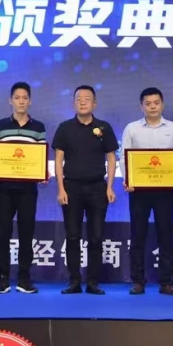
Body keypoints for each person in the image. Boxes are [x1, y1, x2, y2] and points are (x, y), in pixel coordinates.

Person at [53, 85, 118, 295]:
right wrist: (61, 188)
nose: (82, 101)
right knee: (72, 236)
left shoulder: (104, 127)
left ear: (94, 104)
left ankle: (92, 282)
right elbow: (58, 159)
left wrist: (110, 187)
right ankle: (74, 281)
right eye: (78, 99)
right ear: (73, 103)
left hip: (98, 188)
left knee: (96, 237)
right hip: (71, 188)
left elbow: (111, 158)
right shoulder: (64, 128)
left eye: (87, 98)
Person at [122, 87, 173, 296]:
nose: (152, 107)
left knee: (165, 236)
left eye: (156, 103)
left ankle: (166, 282)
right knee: (137, 236)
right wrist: (128, 180)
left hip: (165, 191)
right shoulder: (131, 128)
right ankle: (138, 281)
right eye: (148, 104)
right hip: (138, 190)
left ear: (162, 105)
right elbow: (124, 157)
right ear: (141, 106)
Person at [0, 82, 47, 295]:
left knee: (26, 234)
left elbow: (40, 156)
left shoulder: (38, 127)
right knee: (3, 234)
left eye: (25, 98)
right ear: (10, 100)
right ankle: (3, 279)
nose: (21, 101)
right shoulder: (0, 125)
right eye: (17, 98)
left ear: (30, 101)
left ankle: (24, 279)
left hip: (28, 189)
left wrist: (41, 173)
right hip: (4, 188)